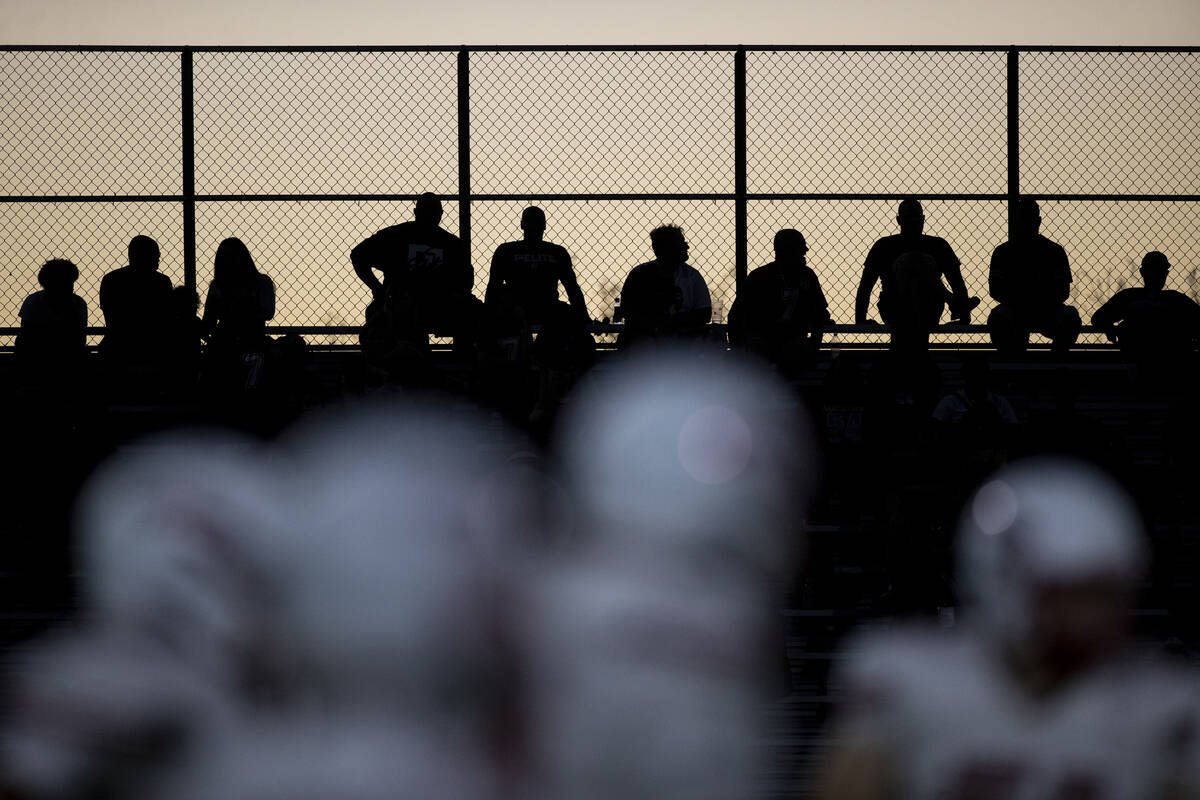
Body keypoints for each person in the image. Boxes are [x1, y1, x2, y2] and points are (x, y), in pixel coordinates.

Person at [818, 459, 1200, 800]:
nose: (1097, 615)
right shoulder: (907, 681)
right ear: (1005, 586)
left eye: (1107, 593)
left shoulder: (1164, 708)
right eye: (1073, 594)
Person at [351, 192, 478, 352]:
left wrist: (377, 288)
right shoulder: (399, 236)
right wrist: (378, 289)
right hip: (404, 302)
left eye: (432, 212)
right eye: (427, 211)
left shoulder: (399, 236)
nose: (429, 216)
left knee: (472, 309)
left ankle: (462, 359)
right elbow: (358, 255)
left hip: (435, 303)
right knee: (400, 309)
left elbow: (465, 282)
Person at [855, 199, 976, 352]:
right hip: (896, 307)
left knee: (915, 266)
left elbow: (957, 282)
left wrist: (860, 320)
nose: (913, 223)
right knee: (914, 260)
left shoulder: (937, 245)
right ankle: (952, 301)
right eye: (908, 219)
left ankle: (953, 302)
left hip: (928, 307)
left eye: (916, 219)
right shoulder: (885, 246)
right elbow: (865, 286)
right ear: (899, 220)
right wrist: (860, 320)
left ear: (923, 219)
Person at [987, 198, 1082, 354]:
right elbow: (995, 289)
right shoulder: (1004, 252)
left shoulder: (1053, 251)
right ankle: (1014, 361)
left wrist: (1030, 302)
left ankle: (1055, 361)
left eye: (1028, 218)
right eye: (1023, 218)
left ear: (1037, 221)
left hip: (1043, 309)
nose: (1026, 223)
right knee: (998, 318)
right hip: (1018, 308)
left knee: (1070, 317)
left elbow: (1064, 290)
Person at [728, 228, 830, 370]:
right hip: (764, 343)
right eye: (799, 251)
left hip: (793, 344)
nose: (804, 254)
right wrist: (738, 353)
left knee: (794, 351)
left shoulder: (807, 276)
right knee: (762, 350)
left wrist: (813, 347)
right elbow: (735, 317)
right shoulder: (760, 277)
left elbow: (820, 313)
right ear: (785, 252)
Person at [485, 206, 587, 326]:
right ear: (522, 225)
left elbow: (572, 288)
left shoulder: (557, 252)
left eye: (536, 222)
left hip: (548, 309)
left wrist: (584, 317)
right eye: (530, 222)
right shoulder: (506, 251)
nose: (533, 227)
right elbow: (493, 288)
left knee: (569, 318)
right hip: (516, 310)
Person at [1091, 251, 1200, 361]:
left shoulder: (1175, 299)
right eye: (1153, 270)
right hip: (1142, 359)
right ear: (1143, 272)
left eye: (1160, 271)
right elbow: (1098, 318)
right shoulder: (1130, 297)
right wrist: (1112, 329)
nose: (1157, 275)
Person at [617, 225, 712, 349]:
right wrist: (659, 325)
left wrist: (675, 322)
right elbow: (628, 312)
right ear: (668, 248)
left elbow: (705, 313)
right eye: (681, 243)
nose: (687, 246)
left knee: (715, 336)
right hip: (649, 335)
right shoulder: (640, 275)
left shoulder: (692, 275)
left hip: (684, 334)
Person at [201, 237, 276, 394]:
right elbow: (208, 322)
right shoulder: (218, 286)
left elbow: (267, 313)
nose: (230, 262)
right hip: (229, 341)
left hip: (249, 340)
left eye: (233, 257)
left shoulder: (260, 282)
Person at [98, 235, 173, 367]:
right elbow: (166, 317)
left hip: (118, 346)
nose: (158, 259)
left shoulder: (112, 279)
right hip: (153, 347)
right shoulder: (162, 282)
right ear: (144, 256)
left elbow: (111, 317)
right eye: (156, 255)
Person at [16, 258, 88, 384]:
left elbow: (79, 339)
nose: (69, 287)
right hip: (41, 357)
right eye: (64, 283)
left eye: (70, 283)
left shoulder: (77, 303)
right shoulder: (34, 301)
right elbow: (27, 337)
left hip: (59, 357)